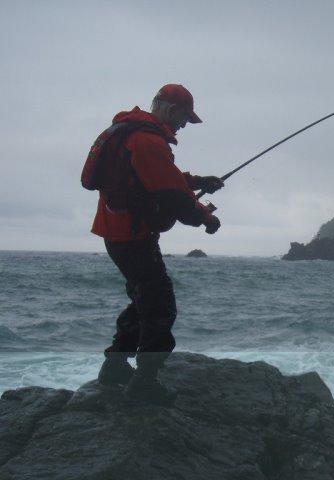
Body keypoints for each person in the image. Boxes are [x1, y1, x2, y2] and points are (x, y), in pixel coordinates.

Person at [92, 84, 223, 407]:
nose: (183, 126)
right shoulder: (148, 141)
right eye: (184, 118)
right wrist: (207, 218)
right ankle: (145, 382)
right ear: (170, 109)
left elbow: (160, 176)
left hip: (116, 232)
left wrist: (199, 182)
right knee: (160, 306)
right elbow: (174, 199)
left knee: (143, 299)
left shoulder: (132, 133)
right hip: (133, 236)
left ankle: (115, 366)